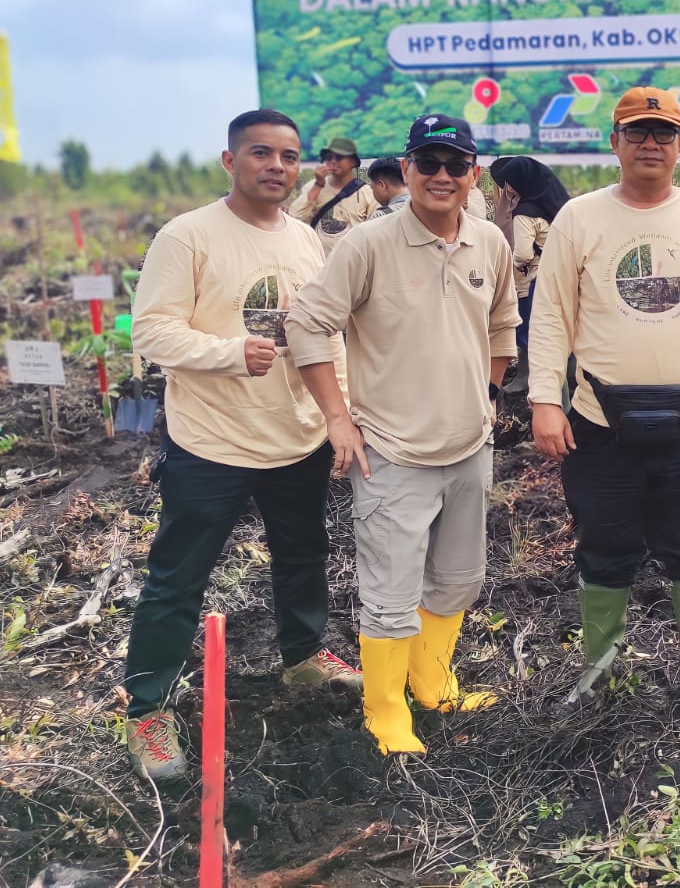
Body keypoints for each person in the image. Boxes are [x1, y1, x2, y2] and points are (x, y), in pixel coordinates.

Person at [123, 109, 360, 781]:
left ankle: (305, 656)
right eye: (260, 153)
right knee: (177, 578)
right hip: (212, 443)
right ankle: (147, 709)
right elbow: (153, 331)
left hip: (294, 437)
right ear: (230, 161)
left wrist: (337, 413)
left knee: (303, 552)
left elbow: (323, 337)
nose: (276, 167)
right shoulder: (189, 236)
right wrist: (229, 352)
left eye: (288, 155)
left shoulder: (307, 242)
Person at [527, 87, 680, 725]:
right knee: (604, 546)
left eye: (663, 133)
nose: (650, 144)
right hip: (598, 422)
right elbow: (551, 315)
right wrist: (544, 400)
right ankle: (598, 673)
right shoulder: (579, 219)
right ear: (614, 142)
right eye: (636, 132)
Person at [286, 114, 520, 755]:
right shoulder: (367, 245)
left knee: (457, 577)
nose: (442, 176)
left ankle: (433, 682)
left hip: (471, 444)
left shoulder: (490, 244)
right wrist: (338, 418)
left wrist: (492, 394)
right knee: (390, 592)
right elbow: (308, 325)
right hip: (392, 449)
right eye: (428, 163)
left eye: (456, 165)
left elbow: (503, 324)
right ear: (407, 170)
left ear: (475, 174)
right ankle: (385, 709)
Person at [489, 156, 571, 397]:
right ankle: (551, 378)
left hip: (530, 281)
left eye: (510, 182)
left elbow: (523, 254)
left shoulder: (524, 213)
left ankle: (543, 389)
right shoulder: (553, 203)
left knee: (531, 334)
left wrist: (503, 266)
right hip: (554, 276)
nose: (508, 187)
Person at [289, 135, 373, 252]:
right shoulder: (313, 186)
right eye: (328, 157)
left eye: (339, 157)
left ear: (353, 161)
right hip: (319, 260)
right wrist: (318, 185)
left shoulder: (366, 192)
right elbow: (295, 216)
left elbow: (374, 230)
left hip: (352, 261)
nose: (333, 161)